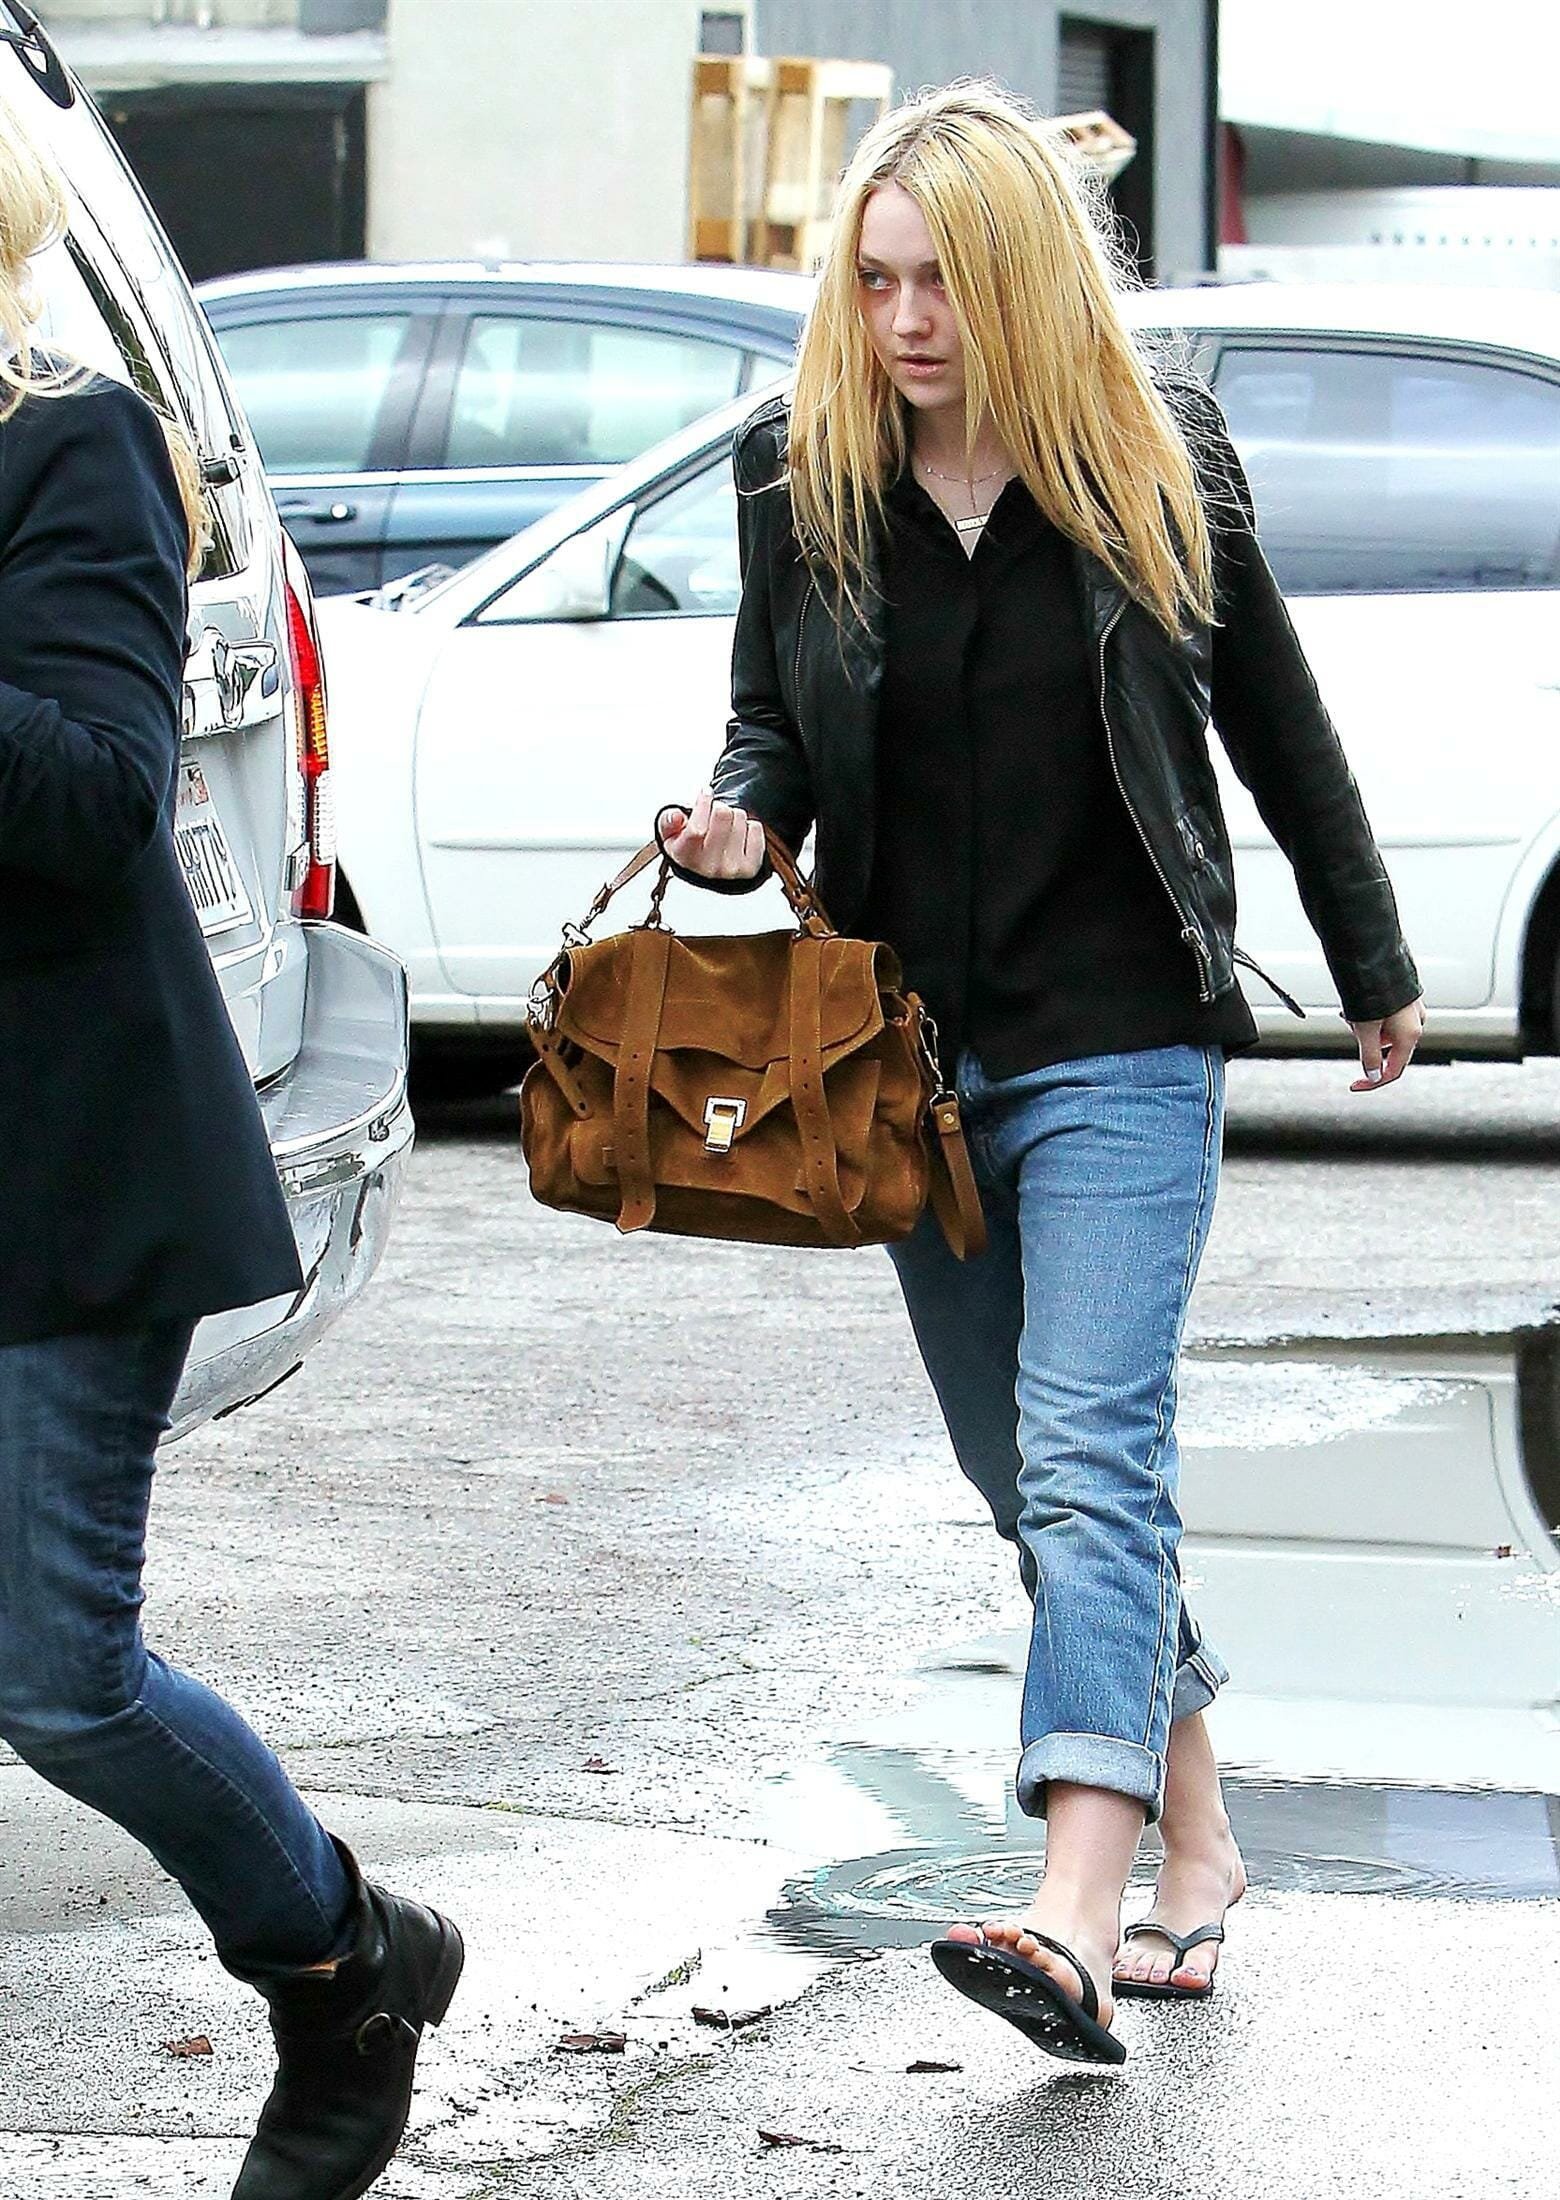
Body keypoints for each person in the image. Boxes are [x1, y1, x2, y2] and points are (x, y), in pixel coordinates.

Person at [662, 80, 1424, 2065]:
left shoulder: (1156, 460)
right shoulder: (801, 474)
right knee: (1034, 1482)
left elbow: (1277, 716)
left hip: (1123, 1041)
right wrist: (743, 824)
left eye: (943, 282)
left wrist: (1371, 960)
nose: (907, 321)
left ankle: (1073, 1913)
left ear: (1019, 279)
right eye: (877, 281)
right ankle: (1203, 1841)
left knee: (1090, 1455)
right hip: (908, 1067)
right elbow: (771, 717)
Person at [0, 107, 460, 2194]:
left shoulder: (72, 446)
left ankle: (342, 1962)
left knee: (56, 1677)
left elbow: (95, 792)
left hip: (62, 1165)